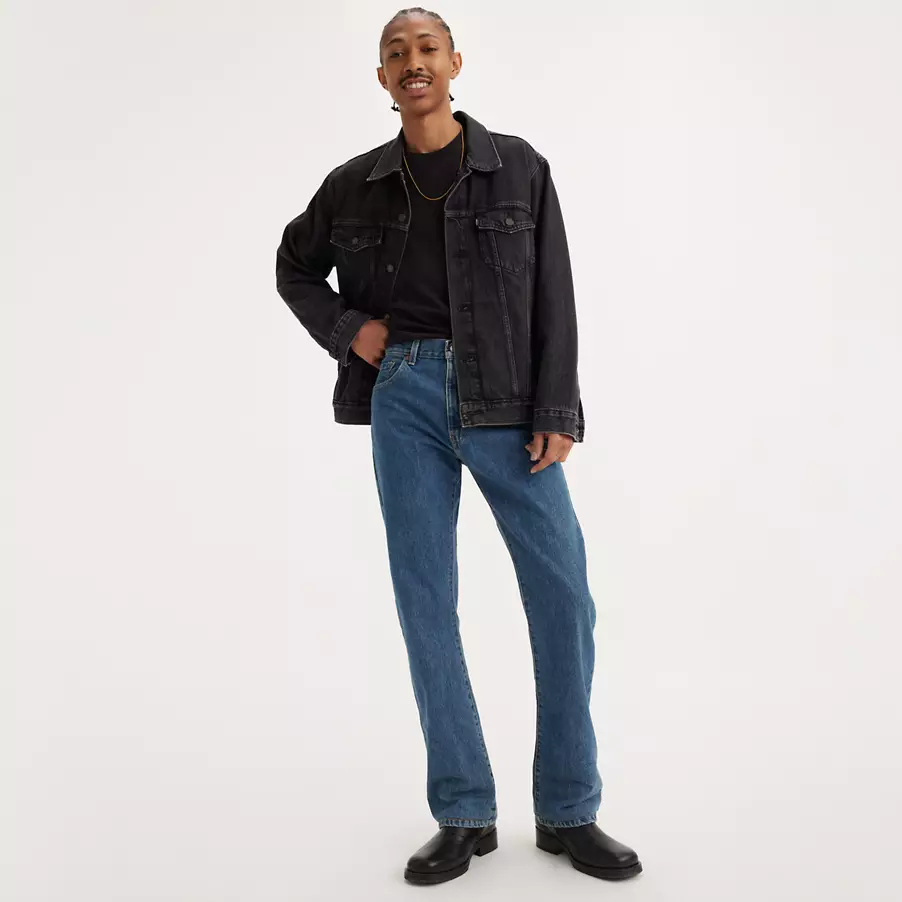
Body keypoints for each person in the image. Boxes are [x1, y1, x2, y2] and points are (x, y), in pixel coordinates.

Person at [275, 6, 642, 886]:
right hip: (403, 395)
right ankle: (464, 811)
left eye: (427, 48)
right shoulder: (353, 183)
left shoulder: (517, 167)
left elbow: (554, 291)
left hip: (509, 400)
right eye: (396, 53)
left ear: (454, 63)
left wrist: (558, 407)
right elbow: (293, 265)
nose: (414, 62)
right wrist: (352, 329)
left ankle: (568, 808)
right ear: (382, 77)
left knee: (565, 599)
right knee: (426, 604)